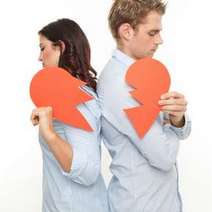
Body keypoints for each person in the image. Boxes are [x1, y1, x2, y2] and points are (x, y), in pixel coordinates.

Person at [97, 1, 191, 212]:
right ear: (127, 31)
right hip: (141, 205)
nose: (160, 40)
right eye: (152, 33)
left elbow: (182, 130)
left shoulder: (144, 73)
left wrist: (178, 119)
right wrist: (170, 123)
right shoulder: (119, 85)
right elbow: (164, 158)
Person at [30, 18, 108, 212]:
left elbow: (88, 171)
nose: (40, 57)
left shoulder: (80, 98)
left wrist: (50, 134)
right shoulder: (63, 94)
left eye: (43, 48)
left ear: (60, 47)